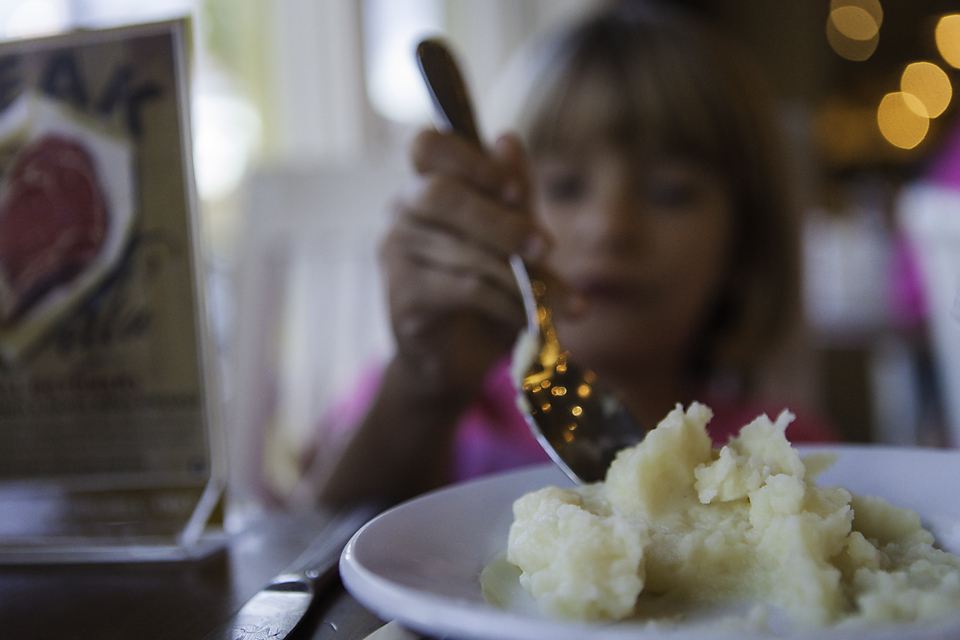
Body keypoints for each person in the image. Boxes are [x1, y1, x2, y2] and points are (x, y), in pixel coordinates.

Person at [294, 0, 838, 509]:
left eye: (670, 191)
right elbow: (323, 554)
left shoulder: (785, 451)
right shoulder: (436, 403)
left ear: (745, 241)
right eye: (564, 186)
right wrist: (424, 385)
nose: (610, 227)